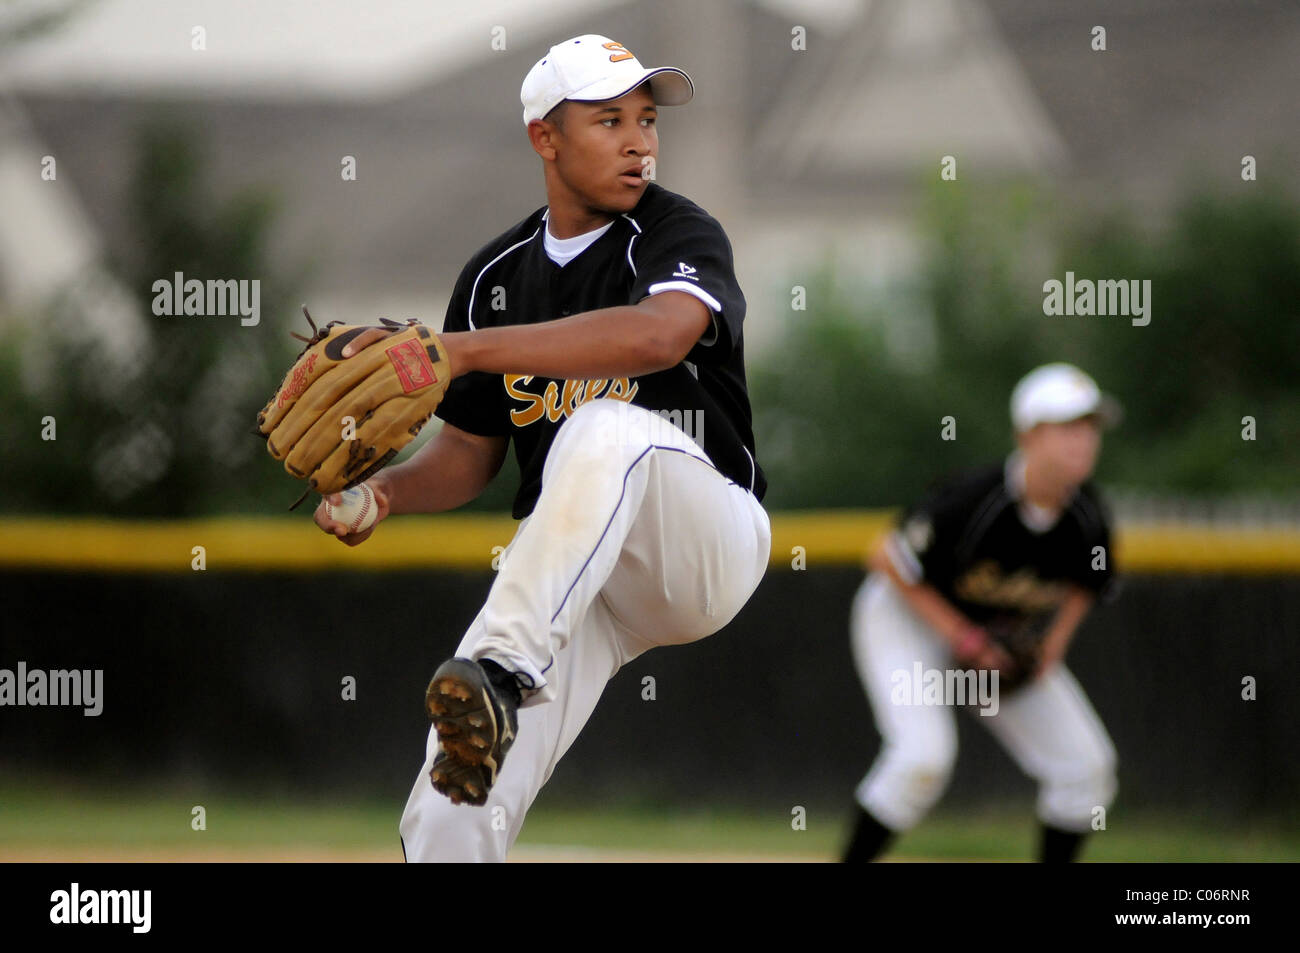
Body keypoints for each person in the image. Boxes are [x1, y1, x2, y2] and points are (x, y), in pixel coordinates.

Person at [314, 35, 770, 862]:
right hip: (577, 581)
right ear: (544, 138)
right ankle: (487, 705)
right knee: (452, 793)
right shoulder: (493, 278)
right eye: (609, 120)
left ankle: (497, 671)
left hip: (701, 539)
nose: (640, 141)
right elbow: (469, 454)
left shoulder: (676, 233)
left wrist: (472, 350)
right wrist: (385, 492)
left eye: (646, 118)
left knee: (605, 427)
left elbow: (659, 337)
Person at [842, 363, 1121, 863]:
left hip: (993, 642)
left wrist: (1051, 648)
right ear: (1028, 436)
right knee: (922, 758)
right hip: (905, 619)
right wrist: (964, 638)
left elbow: (1087, 586)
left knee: (1086, 768)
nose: (1084, 440)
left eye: (1091, 428)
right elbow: (886, 558)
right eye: (1069, 427)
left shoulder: (1089, 515)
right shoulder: (973, 498)